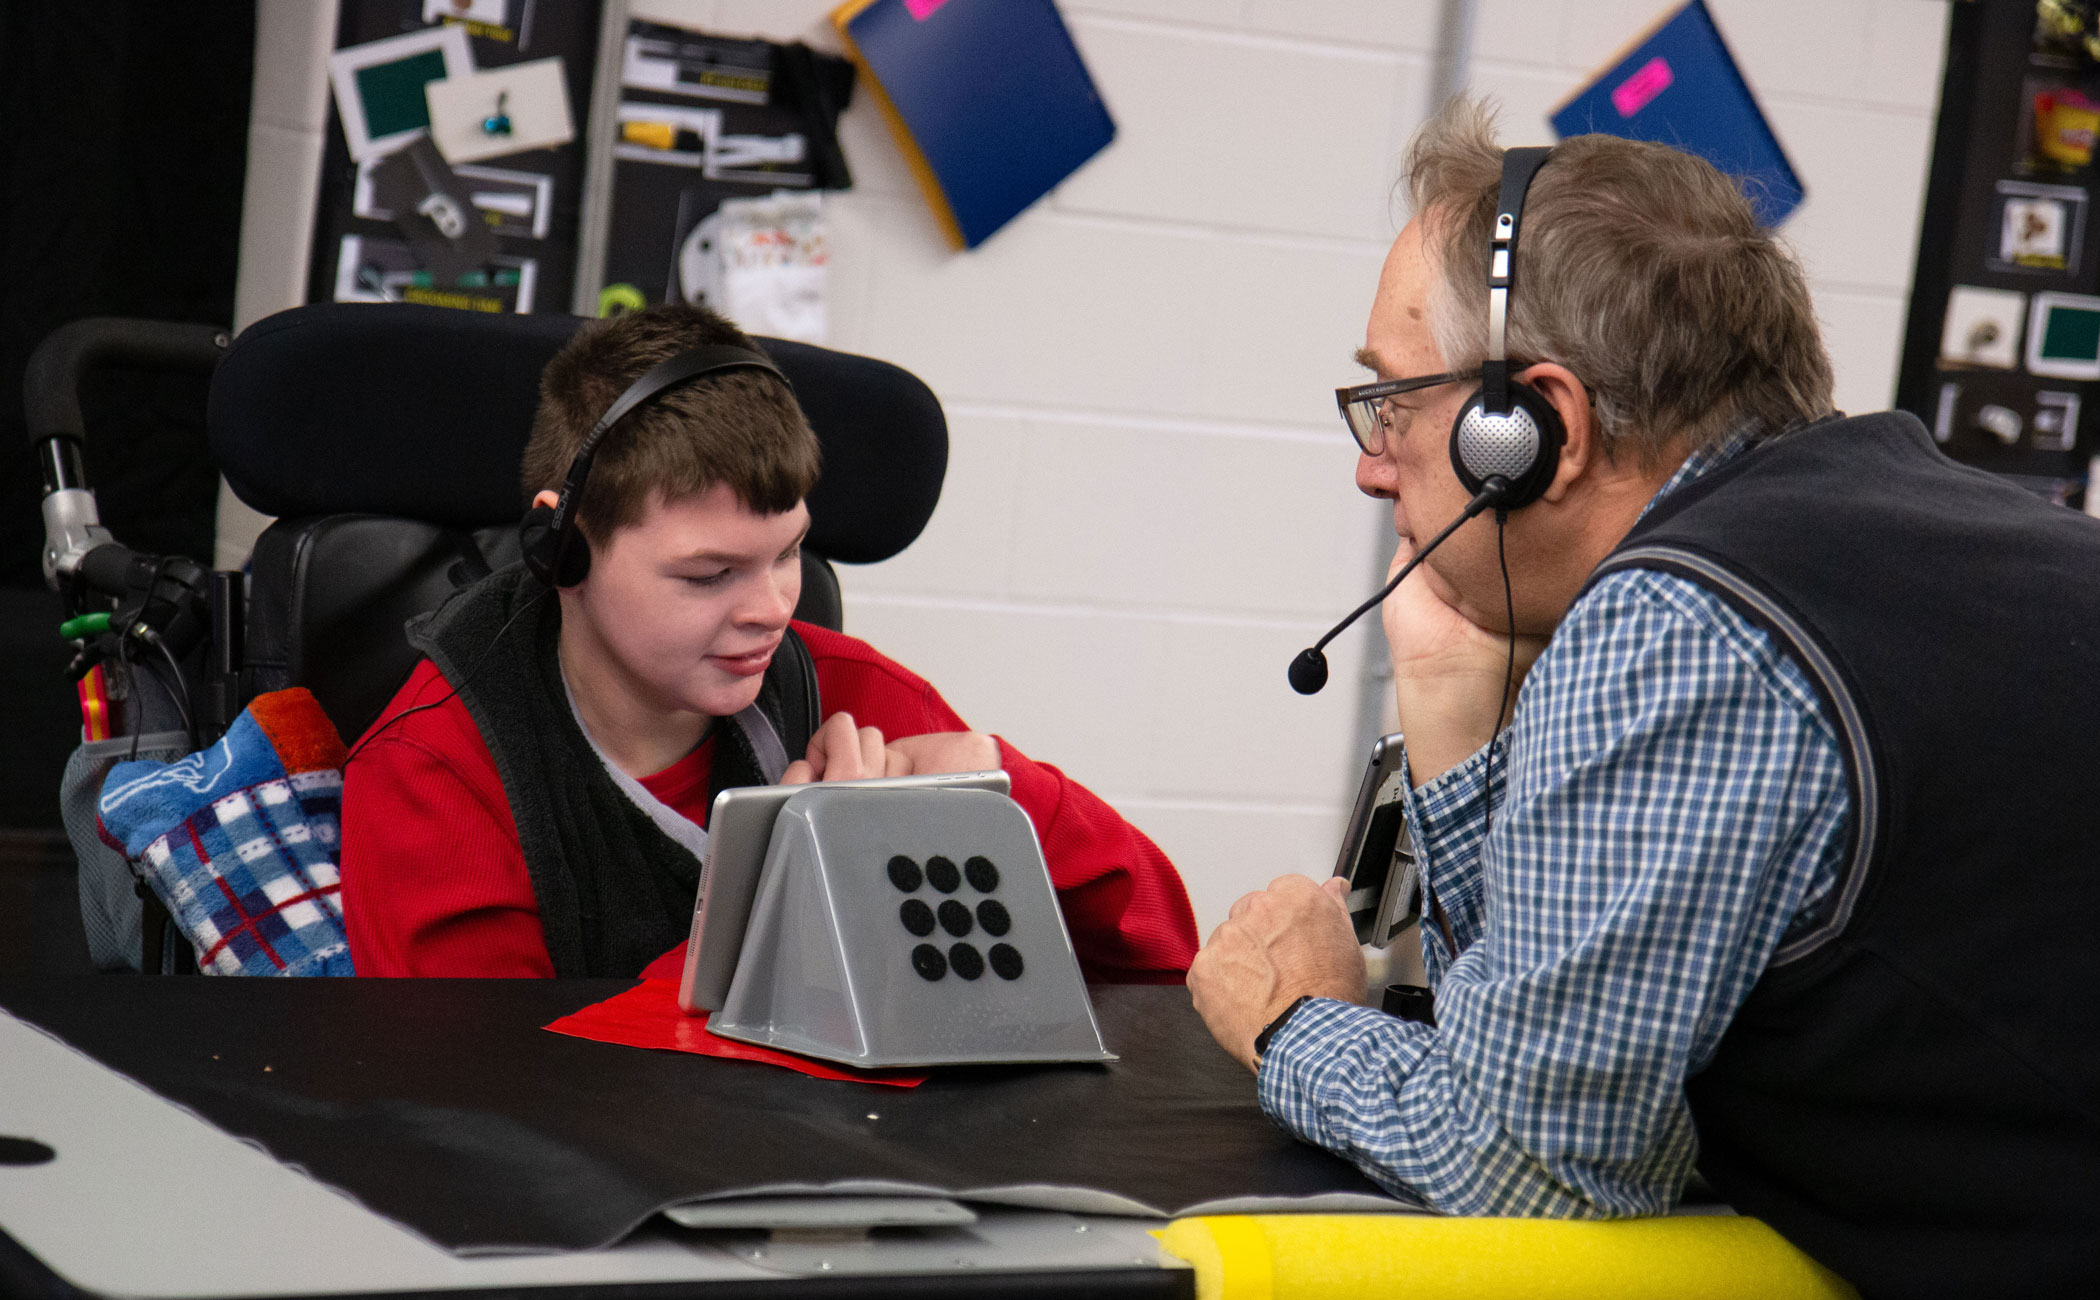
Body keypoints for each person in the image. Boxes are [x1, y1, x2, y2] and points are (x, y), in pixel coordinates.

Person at [1187, 98, 2100, 1295]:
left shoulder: (1684, 625)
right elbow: (1565, 1042)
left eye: (1393, 401)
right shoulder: (1901, 517)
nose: (1371, 463)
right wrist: (1455, 698)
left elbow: (1535, 1163)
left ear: (1532, 429)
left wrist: (1291, 1018)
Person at [341, 303, 1197, 984]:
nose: (771, 609)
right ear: (559, 550)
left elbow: (1170, 961)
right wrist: (789, 913)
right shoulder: (435, 775)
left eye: (788, 554)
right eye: (710, 574)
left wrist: (1008, 792)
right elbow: (490, 1099)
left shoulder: (858, 699)